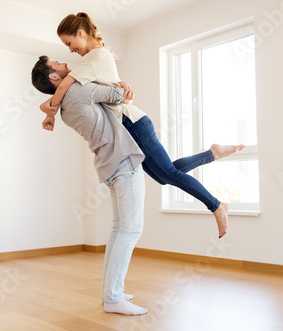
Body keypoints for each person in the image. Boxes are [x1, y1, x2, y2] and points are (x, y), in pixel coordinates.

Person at [38, 12, 244, 238]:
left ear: (80, 33)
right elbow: (91, 90)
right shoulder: (95, 58)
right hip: (129, 124)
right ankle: (211, 154)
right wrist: (48, 107)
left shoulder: (94, 57)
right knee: (165, 176)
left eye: (69, 43)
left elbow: (66, 85)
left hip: (132, 122)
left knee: (168, 174)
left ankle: (216, 205)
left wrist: (50, 112)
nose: (69, 50)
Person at [31, 64, 148, 315]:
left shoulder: (62, 108)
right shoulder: (75, 92)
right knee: (130, 229)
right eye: (57, 64)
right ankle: (114, 297)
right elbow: (118, 95)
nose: (64, 63)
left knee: (119, 229)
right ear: (54, 76)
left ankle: (112, 293)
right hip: (123, 160)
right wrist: (122, 84)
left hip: (109, 164)